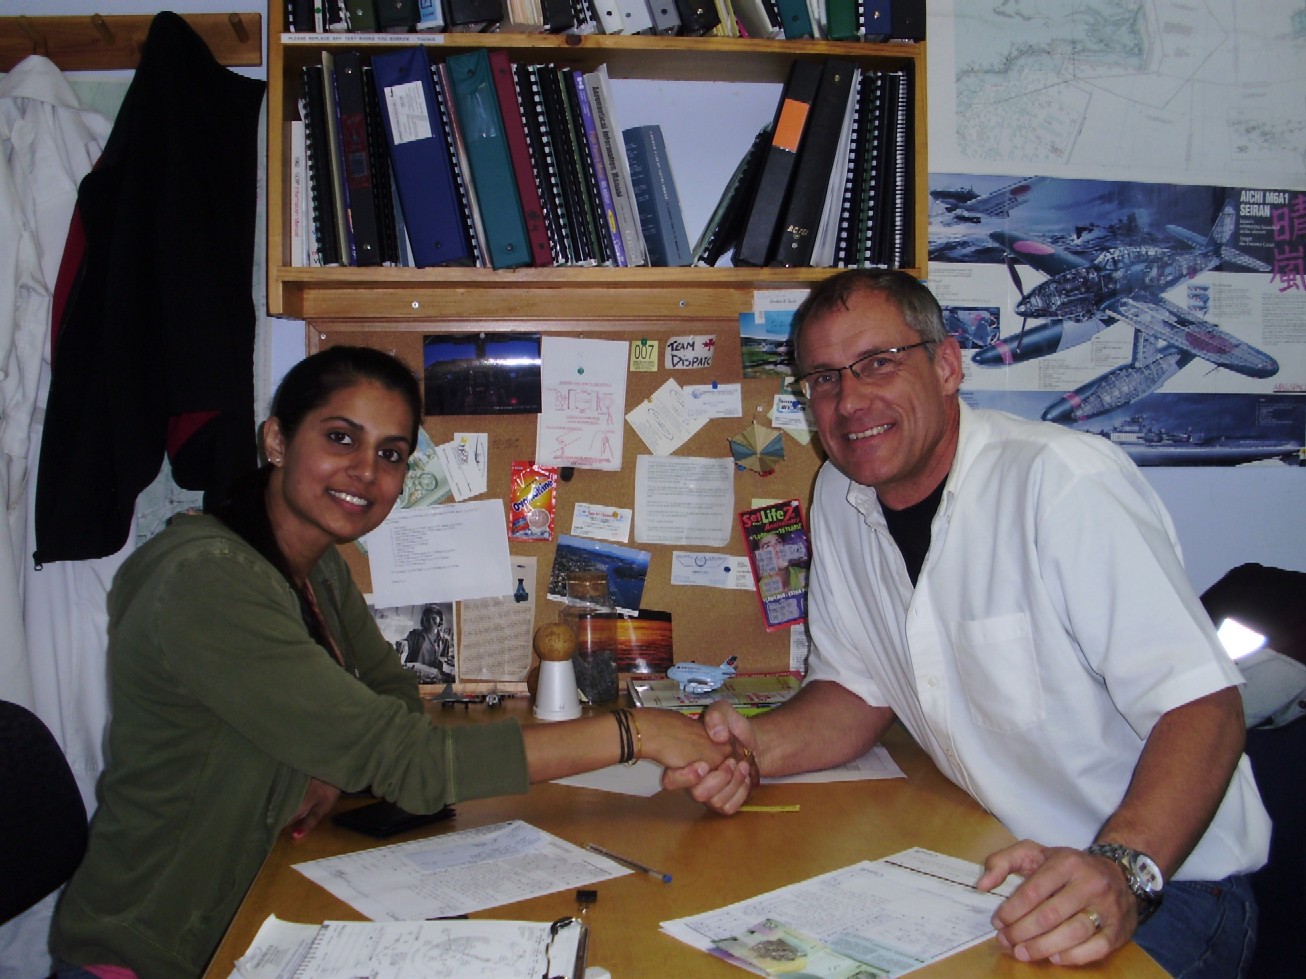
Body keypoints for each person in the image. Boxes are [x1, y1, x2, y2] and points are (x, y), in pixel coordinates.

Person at [50, 347, 730, 979]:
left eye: (392, 452)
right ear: (278, 439)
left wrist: (328, 758)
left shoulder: (313, 568)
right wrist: (639, 734)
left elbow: (393, 697)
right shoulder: (206, 579)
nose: (367, 471)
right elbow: (416, 763)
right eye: (341, 437)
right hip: (151, 949)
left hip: (249, 913)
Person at [665, 271, 1270, 977]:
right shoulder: (839, 494)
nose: (850, 400)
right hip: (997, 860)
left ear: (947, 364)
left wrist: (1123, 868)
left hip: (1165, 881)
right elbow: (858, 691)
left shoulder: (1061, 484)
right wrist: (754, 748)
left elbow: (1205, 705)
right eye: (824, 379)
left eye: (878, 364)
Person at [403, 604, 454, 679]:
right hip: (414, 674)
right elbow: (406, 642)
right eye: (427, 619)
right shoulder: (415, 634)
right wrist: (403, 643)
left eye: (434, 618)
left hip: (432, 677)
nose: (430, 622)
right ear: (423, 620)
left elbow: (446, 659)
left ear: (440, 619)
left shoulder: (445, 640)